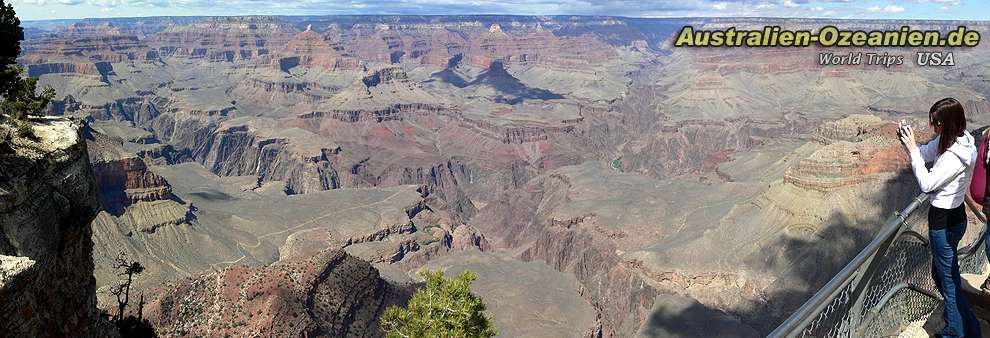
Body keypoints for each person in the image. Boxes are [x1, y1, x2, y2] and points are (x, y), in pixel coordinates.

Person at [899, 97, 981, 338]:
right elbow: (925, 153)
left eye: (935, 122)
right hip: (954, 220)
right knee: (944, 275)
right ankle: (971, 326)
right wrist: (909, 144)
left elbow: (926, 184)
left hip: (944, 224)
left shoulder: (955, 157)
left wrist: (913, 150)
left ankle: (955, 332)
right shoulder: (957, 140)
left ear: (946, 124)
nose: (932, 126)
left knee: (947, 280)